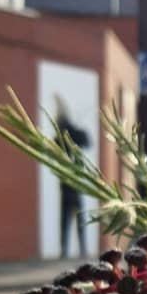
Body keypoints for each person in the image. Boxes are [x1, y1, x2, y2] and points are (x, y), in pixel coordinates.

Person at [54, 99, 90, 258]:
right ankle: (76, 249)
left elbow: (86, 141)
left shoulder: (65, 135)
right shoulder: (70, 134)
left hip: (71, 182)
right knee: (74, 218)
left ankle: (69, 249)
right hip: (72, 182)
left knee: (68, 219)